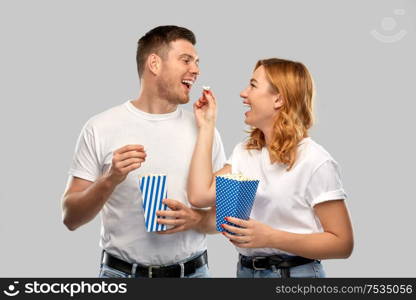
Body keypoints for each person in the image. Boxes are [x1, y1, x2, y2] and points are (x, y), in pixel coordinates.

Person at [61, 25, 226, 278]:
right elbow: (71, 218)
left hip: (194, 274)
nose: (196, 70)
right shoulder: (100, 127)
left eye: (197, 62)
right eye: (186, 60)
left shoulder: (206, 131)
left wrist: (196, 220)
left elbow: (230, 215)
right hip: (121, 275)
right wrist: (110, 178)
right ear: (154, 64)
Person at [188, 58, 354, 278]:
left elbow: (342, 244)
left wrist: (271, 237)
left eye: (253, 85)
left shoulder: (315, 161)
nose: (243, 93)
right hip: (246, 272)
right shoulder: (246, 152)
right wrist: (207, 126)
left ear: (278, 99)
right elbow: (199, 196)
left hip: (296, 274)